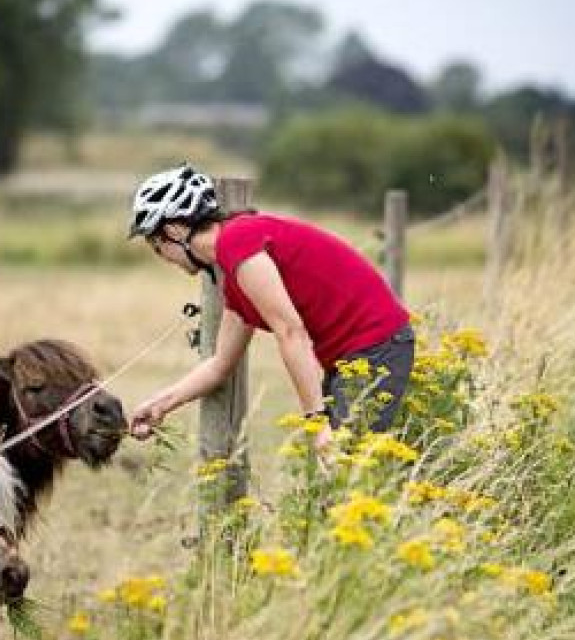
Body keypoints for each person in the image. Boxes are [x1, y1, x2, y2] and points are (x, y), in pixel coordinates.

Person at [127, 164, 414, 449]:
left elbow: (290, 332)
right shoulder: (235, 273)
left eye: (156, 243)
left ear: (175, 231)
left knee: (347, 470)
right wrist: (160, 404)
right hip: (356, 355)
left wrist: (316, 421)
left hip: (376, 346)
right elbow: (219, 366)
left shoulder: (237, 242)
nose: (161, 256)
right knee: (341, 474)